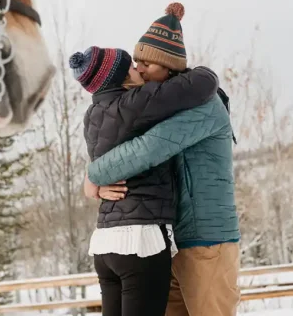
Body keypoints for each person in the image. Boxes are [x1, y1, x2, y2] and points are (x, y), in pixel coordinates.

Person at [87, 3, 241, 316]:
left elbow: (146, 150)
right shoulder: (163, 103)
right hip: (173, 239)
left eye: (146, 62)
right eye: (136, 61)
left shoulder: (205, 106)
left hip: (208, 243)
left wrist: (92, 176)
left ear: (168, 66)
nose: (139, 68)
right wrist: (96, 185)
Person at [70, 44, 219, 316]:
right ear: (120, 77)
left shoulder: (91, 115)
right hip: (140, 242)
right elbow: (203, 83)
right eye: (131, 66)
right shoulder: (136, 103)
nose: (138, 69)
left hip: (106, 243)